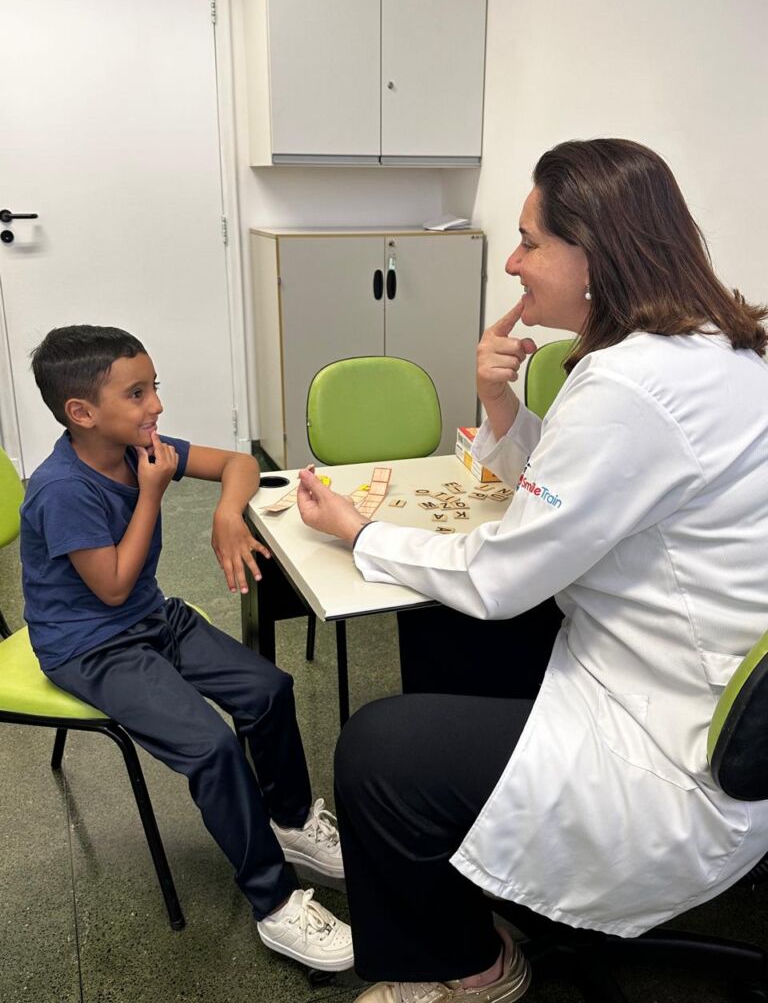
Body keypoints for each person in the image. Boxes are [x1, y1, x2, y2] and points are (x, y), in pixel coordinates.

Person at [295, 138, 768, 1002]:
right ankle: (463, 856)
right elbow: (580, 492)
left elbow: (502, 574)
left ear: (595, 254)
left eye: (529, 241)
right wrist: (501, 405)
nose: (512, 263)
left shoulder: (630, 384)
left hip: (677, 747)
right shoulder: (715, 348)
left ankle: (473, 969)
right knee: (441, 626)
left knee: (376, 751)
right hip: (696, 681)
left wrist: (362, 534)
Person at [20, 325, 352, 973]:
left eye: (154, 387)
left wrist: (227, 514)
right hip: (91, 647)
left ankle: (289, 825)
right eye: (137, 394)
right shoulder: (63, 489)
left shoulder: (140, 446)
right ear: (81, 413)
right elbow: (113, 587)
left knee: (268, 689)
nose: (157, 406)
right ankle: (275, 904)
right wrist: (152, 494)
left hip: (151, 618)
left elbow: (239, 465)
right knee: (213, 748)